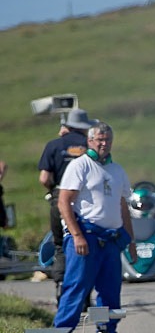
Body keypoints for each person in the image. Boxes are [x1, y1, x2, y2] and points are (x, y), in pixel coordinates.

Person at [52, 122, 139, 333]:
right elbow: (64, 202)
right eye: (99, 139)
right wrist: (77, 235)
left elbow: (122, 206)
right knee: (77, 287)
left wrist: (131, 241)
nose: (103, 143)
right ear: (89, 141)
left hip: (110, 239)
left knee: (109, 290)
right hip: (86, 237)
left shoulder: (117, 170)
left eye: (107, 139)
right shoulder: (80, 166)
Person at [38, 108, 98, 295]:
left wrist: (52, 191)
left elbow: (44, 178)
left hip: (59, 199)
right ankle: (86, 292)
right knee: (85, 242)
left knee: (60, 245)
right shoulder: (91, 146)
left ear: (67, 126)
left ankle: (61, 286)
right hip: (86, 201)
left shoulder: (54, 145)